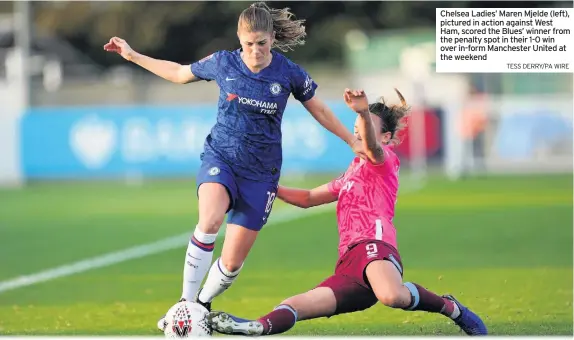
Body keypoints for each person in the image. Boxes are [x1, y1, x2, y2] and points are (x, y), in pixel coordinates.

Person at [103, 1, 364, 332]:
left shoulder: (288, 73)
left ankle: (201, 307)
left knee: (231, 263)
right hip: (221, 158)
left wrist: (352, 141)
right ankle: (185, 303)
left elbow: (321, 111)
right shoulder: (223, 63)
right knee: (210, 219)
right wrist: (132, 55)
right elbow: (180, 73)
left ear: (272, 38)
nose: (255, 51)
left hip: (261, 174)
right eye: (248, 45)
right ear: (239, 41)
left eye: (261, 44)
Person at [206, 89, 488, 336]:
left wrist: (363, 112)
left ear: (386, 137)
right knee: (298, 304)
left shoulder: (384, 161)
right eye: (354, 127)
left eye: (362, 128)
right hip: (349, 263)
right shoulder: (350, 173)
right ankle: (256, 327)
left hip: (375, 246)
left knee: (391, 295)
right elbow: (307, 198)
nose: (357, 132)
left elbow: (372, 145)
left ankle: (452, 309)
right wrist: (268, 185)